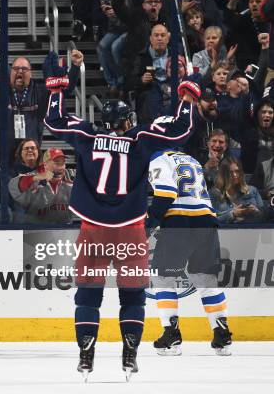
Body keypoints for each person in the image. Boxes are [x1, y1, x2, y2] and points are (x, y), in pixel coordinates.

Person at [43, 50, 199, 380]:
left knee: (88, 295)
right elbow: (181, 131)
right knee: (132, 296)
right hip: (130, 229)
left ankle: (86, 356)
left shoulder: (87, 136)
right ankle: (130, 355)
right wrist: (186, 97)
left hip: (93, 229)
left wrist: (57, 91)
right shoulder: (140, 138)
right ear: (127, 121)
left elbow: (53, 121)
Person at [148, 150, 232, 356]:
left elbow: (166, 193)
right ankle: (223, 337)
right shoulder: (190, 157)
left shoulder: (158, 158)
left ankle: (171, 335)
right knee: (205, 279)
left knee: (162, 278)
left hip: (180, 221)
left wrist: (148, 225)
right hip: (206, 220)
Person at [8, 148, 74, 224]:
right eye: (57, 163)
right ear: (45, 165)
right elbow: (13, 185)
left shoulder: (70, 177)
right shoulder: (34, 177)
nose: (60, 167)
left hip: (66, 230)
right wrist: (37, 177)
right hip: (37, 230)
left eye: (62, 163)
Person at [209, 157, 265, 224]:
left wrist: (257, 212)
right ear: (223, 174)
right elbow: (211, 221)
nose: (235, 175)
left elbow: (264, 216)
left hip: (252, 231)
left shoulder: (253, 191)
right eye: (230, 172)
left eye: (237, 171)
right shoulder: (213, 194)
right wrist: (233, 214)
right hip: (225, 233)